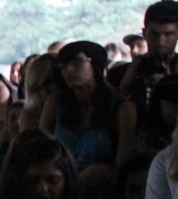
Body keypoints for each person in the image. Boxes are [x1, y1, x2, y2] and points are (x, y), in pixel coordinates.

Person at [41, 39, 135, 168]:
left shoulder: (122, 108)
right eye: (63, 65)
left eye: (76, 62)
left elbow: (124, 165)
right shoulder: (55, 103)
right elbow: (42, 153)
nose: (68, 69)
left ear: (95, 64)